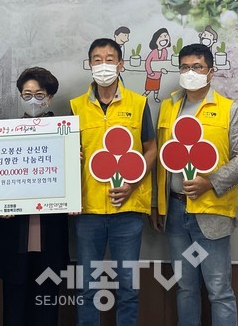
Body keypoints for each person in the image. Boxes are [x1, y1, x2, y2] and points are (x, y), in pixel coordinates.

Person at [153, 43, 238, 326]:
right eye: (184, 67)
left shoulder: (229, 109)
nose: (190, 72)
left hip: (212, 213)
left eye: (197, 67)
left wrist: (210, 182)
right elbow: (161, 158)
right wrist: (156, 204)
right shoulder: (168, 107)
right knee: (185, 288)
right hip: (175, 213)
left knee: (219, 290)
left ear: (210, 72)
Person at [70, 38, 157, 326]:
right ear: (89, 65)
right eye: (97, 59)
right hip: (88, 210)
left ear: (120, 65)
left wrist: (133, 182)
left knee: (128, 288)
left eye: (110, 59)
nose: (103, 65)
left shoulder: (138, 103)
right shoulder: (75, 107)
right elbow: (68, 153)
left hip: (127, 210)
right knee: (87, 287)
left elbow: (151, 148)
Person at [0, 67, 69, 326]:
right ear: (19, 97)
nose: (33, 100)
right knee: (13, 310)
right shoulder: (4, 135)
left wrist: (72, 163)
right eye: (27, 95)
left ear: (50, 98)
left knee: (46, 310)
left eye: (39, 95)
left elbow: (72, 182)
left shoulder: (65, 134)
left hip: (51, 236)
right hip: (13, 235)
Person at [143, 28, 171, 103]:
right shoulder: (153, 52)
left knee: (156, 89)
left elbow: (164, 63)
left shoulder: (165, 51)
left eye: (166, 36)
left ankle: (155, 98)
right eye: (161, 37)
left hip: (158, 75)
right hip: (151, 76)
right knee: (148, 89)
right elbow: (147, 62)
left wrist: (163, 70)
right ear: (155, 40)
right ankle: (142, 98)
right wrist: (150, 72)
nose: (164, 39)